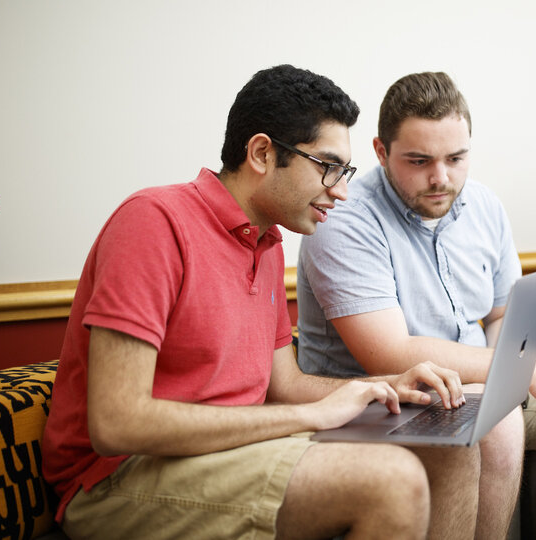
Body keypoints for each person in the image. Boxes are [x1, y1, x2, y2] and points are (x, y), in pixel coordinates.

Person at [41, 65, 485, 540]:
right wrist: (312, 416)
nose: (341, 190)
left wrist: (389, 385)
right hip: (117, 477)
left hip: (230, 451)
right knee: (392, 481)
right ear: (261, 153)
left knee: (451, 442)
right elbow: (118, 423)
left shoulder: (268, 242)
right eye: (328, 167)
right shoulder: (152, 222)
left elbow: (284, 385)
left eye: (346, 171)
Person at [296, 71, 536, 540]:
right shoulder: (345, 217)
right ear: (380, 151)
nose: (441, 178)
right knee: (489, 415)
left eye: (456, 158)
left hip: (476, 382)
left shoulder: (483, 206)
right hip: (381, 395)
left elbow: (500, 315)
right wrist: (521, 371)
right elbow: (387, 352)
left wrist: (511, 374)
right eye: (419, 161)